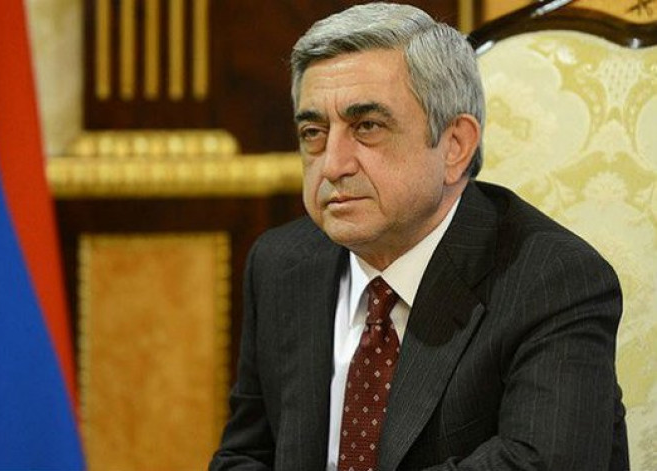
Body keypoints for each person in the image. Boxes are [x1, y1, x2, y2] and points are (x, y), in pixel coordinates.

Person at [209, 3, 628, 470]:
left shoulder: (551, 281)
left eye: (367, 127)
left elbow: (542, 463)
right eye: (314, 132)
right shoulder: (281, 264)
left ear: (454, 146)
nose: (332, 164)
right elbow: (245, 455)